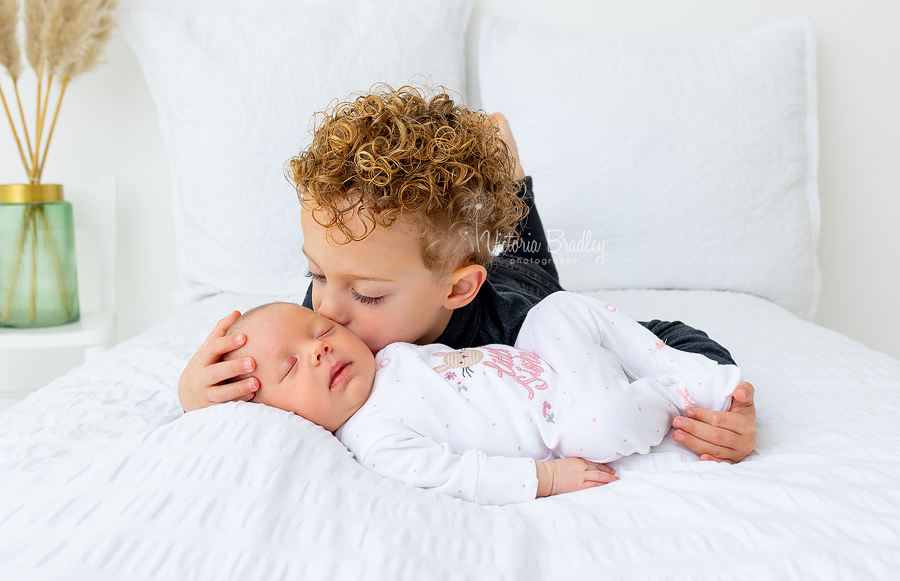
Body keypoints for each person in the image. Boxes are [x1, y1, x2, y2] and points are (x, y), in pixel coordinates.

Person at [178, 85, 756, 463]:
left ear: (456, 289)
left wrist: (729, 403)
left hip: (518, 285)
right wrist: (197, 393)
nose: (325, 312)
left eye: (367, 293)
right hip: (461, 270)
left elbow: (666, 336)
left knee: (526, 251)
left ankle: (509, 170)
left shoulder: (515, 322)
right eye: (317, 272)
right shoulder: (326, 316)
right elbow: (265, 364)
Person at [220, 294, 742, 505]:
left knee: (556, 306)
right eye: (291, 367)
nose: (319, 349)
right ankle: (686, 395)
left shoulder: (387, 352)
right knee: (605, 425)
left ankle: (697, 373)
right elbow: (457, 474)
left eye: (323, 328)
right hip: (563, 417)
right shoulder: (374, 437)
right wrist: (547, 478)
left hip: (541, 350)